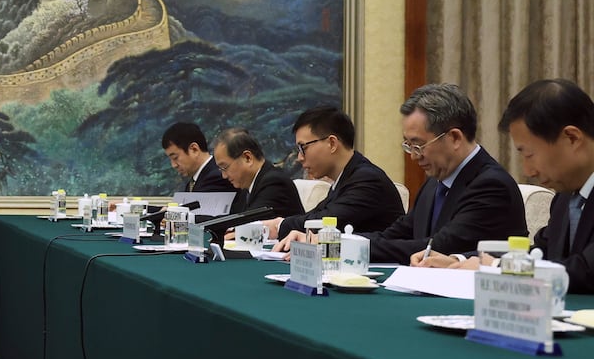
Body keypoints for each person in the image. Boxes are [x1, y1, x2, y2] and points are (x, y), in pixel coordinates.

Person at [423, 79, 594, 292]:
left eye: (530, 154)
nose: (528, 171)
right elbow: (540, 253)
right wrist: (463, 260)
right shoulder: (565, 196)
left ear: (572, 138)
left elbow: (585, 272)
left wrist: (496, 267)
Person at [351, 84, 525, 264]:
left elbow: (439, 248)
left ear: (455, 138)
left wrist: (348, 247)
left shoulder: (492, 186)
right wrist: (341, 241)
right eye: (408, 145)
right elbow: (396, 234)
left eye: (418, 145)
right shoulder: (436, 182)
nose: (413, 156)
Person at [271, 106, 404, 249]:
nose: (300, 158)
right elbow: (316, 215)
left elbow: (327, 222)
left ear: (332, 143)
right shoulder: (345, 178)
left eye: (303, 147)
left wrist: (279, 225)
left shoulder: (367, 179)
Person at [211, 128, 304, 219]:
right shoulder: (246, 187)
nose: (224, 176)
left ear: (247, 158)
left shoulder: (274, 183)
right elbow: (232, 218)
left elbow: (247, 223)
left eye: (225, 167)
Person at [161, 122, 234, 194]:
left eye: (175, 157)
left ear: (194, 149)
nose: (174, 165)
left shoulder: (217, 178)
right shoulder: (193, 182)